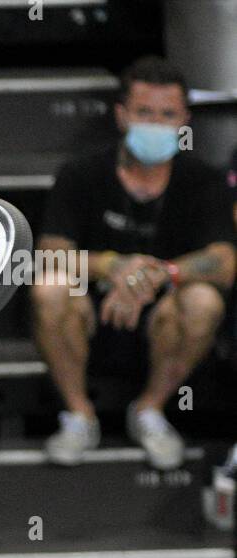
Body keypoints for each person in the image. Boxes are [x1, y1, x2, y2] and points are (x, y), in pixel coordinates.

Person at [33, 56, 236, 470]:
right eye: (144, 113)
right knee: (50, 287)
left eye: (167, 114)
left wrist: (158, 272)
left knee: (204, 301)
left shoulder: (203, 181)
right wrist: (112, 266)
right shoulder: (82, 173)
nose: (156, 123)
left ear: (184, 120)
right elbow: (48, 253)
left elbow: (223, 261)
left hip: (164, 318)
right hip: (91, 313)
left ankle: (149, 409)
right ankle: (78, 415)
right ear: (122, 115)